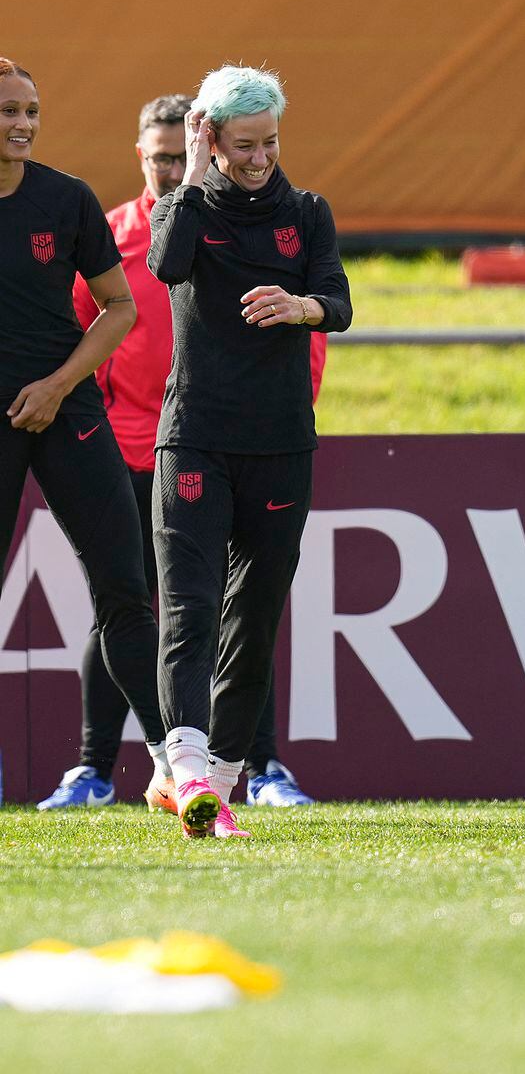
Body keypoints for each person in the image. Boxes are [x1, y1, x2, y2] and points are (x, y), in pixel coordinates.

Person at [37, 94, 327, 812]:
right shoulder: (114, 234)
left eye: (181, 155)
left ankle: (260, 767)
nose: (172, 169)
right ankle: (95, 768)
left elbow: (309, 333)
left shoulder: (250, 215)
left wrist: (291, 402)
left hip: (234, 439)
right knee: (126, 608)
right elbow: (76, 328)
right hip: (129, 449)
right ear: (141, 155)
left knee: (240, 608)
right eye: (161, 157)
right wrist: (89, 421)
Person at [148, 66, 351, 839]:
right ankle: (188, 770)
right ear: (211, 138)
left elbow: (339, 300)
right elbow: (166, 265)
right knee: (192, 611)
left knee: (255, 619)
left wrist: (301, 306)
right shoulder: (189, 207)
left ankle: (217, 787)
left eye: (270, 140)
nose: (260, 157)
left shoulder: (307, 213)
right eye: (243, 144)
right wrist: (194, 177)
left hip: (280, 443)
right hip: (196, 436)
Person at [0, 57, 167, 782]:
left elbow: (119, 306)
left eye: (31, 111)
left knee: (125, 591)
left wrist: (59, 385)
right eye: (9, 111)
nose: (23, 125)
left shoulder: (65, 200)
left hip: (69, 412)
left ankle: (175, 769)